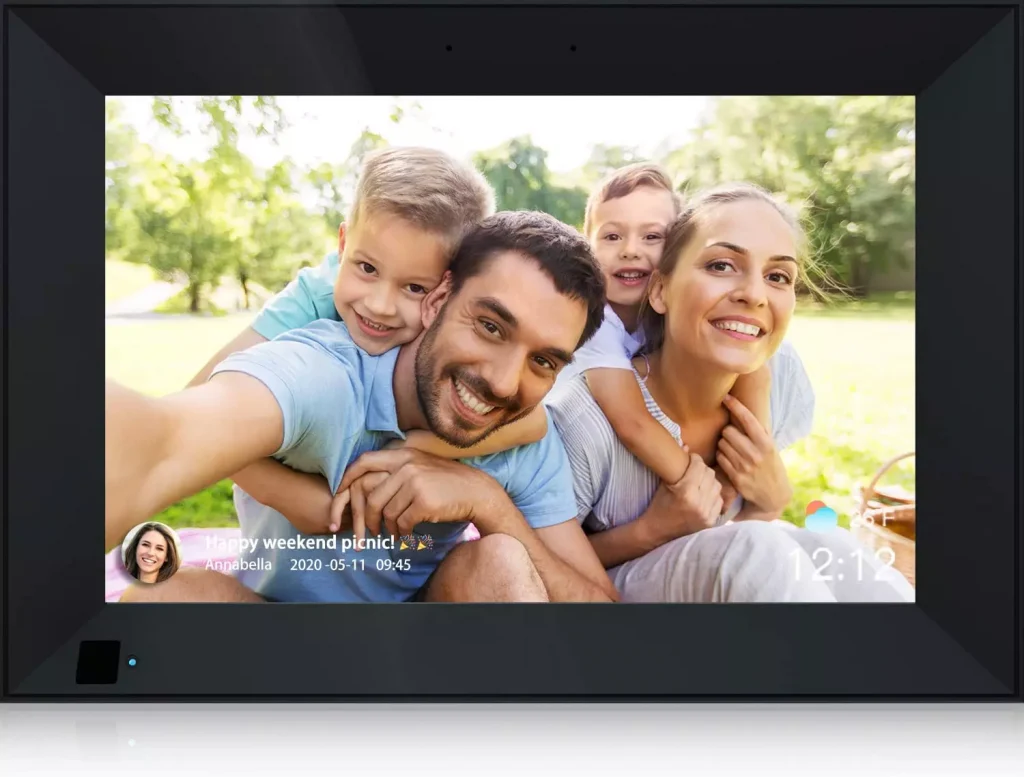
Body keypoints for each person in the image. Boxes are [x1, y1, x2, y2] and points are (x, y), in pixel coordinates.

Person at [108, 210, 618, 604]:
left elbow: (598, 609)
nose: (505, 384)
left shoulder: (525, 438)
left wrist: (487, 502)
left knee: (502, 559)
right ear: (437, 300)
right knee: (166, 594)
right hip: (270, 622)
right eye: (489, 326)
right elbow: (161, 442)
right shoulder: (327, 373)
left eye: (544, 361)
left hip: (416, 647)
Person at [548, 182, 914, 602]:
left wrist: (769, 503)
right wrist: (653, 529)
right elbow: (536, 563)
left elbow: (735, 535)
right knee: (758, 550)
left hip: (725, 574)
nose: (754, 295)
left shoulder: (777, 373)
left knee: (838, 549)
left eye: (778, 276)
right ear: (660, 289)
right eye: (721, 265)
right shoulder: (586, 414)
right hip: (603, 597)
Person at [186, 147, 561, 537]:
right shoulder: (315, 294)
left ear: (451, 290)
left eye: (415, 287)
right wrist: (287, 494)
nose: (379, 306)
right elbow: (195, 408)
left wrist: (415, 451)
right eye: (366, 268)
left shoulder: (450, 328)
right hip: (283, 537)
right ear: (343, 243)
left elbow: (532, 424)